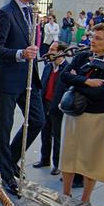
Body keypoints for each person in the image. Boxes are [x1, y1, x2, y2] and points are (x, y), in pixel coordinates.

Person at [0, 0, 45, 197]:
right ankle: (6, 174)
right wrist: (21, 53)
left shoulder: (32, 12)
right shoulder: (5, 13)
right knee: (5, 126)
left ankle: (10, 159)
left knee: (38, 120)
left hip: (29, 78)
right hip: (7, 79)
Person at [58, 23, 104, 202]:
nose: (92, 41)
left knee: (92, 159)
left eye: (98, 38)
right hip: (74, 114)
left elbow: (102, 92)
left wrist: (75, 83)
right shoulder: (82, 57)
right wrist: (86, 82)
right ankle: (66, 193)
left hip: (97, 118)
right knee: (69, 154)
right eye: (93, 37)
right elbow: (64, 76)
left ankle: (85, 198)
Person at [33, 41, 69, 175]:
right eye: (50, 49)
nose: (50, 52)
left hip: (58, 107)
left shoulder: (67, 68)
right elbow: (43, 84)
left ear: (60, 52)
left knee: (57, 135)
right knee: (45, 133)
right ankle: (44, 158)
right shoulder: (48, 67)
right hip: (45, 103)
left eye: (53, 49)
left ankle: (57, 163)